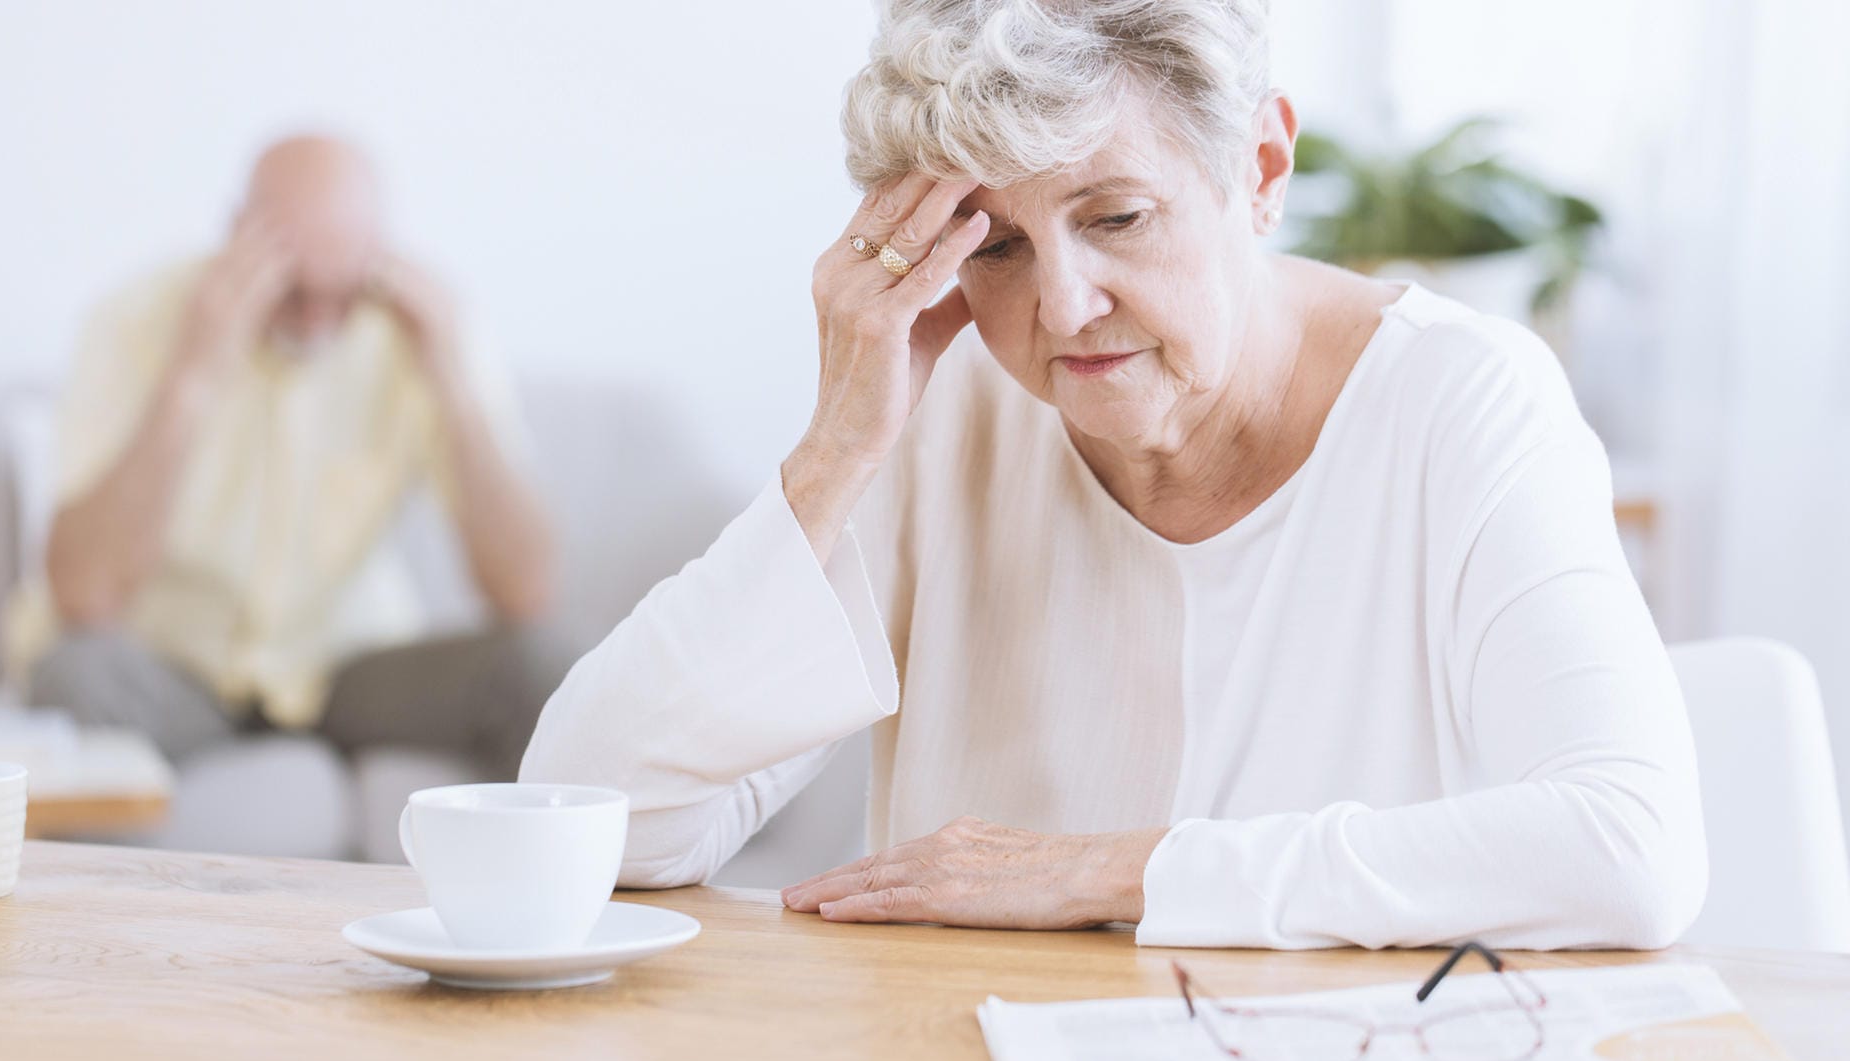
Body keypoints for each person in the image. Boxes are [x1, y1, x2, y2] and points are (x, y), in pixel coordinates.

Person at [520, 0, 1707, 949]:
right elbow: (597, 824)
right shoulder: (946, 413)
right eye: (996, 246)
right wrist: (836, 447)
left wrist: (1110, 870)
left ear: (1259, 166)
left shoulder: (1464, 400)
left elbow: (1630, 847)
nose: (1064, 306)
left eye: (1120, 217)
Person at [8, 135, 565, 783]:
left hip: (344, 674)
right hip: (176, 672)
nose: (317, 323)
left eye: (342, 294)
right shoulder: (134, 321)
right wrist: (191, 377)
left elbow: (528, 593)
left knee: (544, 664)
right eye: (293, 291)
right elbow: (83, 594)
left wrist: (452, 383)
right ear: (238, 233)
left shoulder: (423, 330)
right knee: (72, 674)